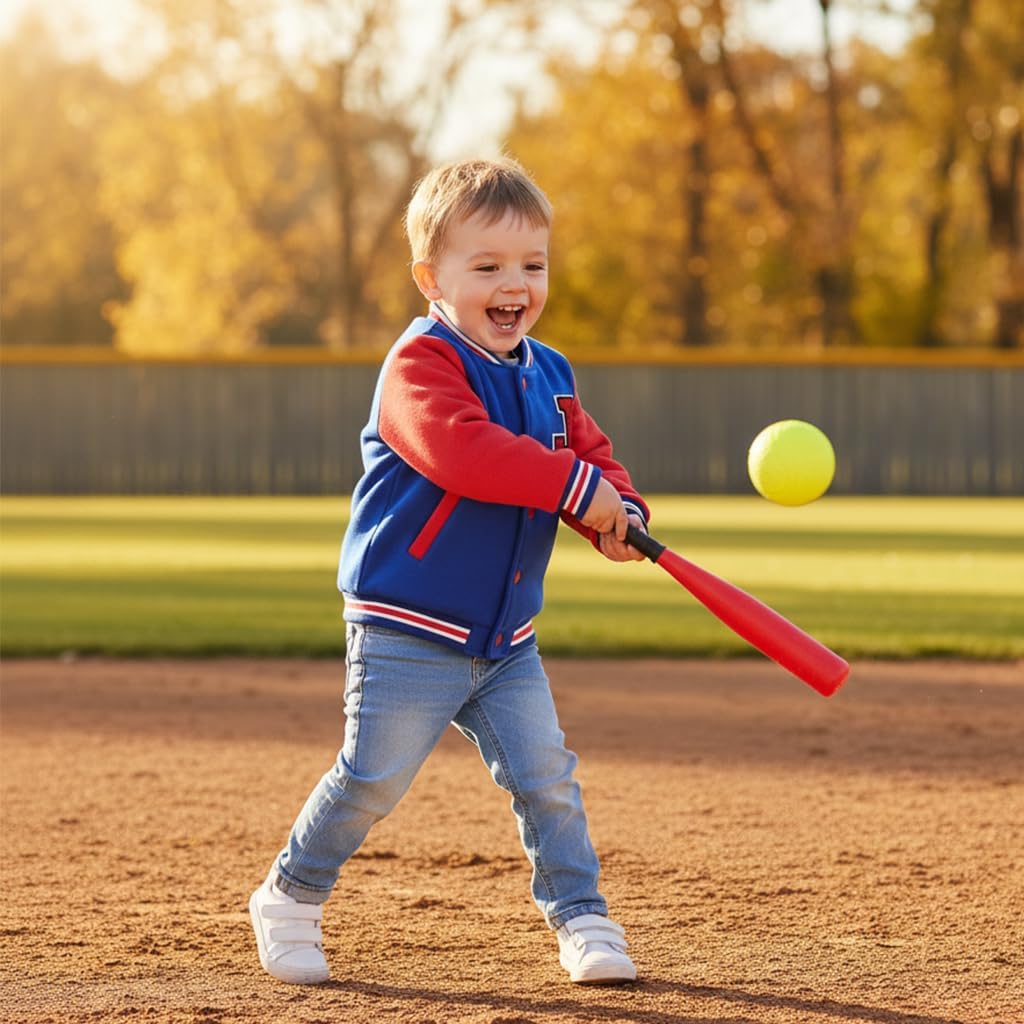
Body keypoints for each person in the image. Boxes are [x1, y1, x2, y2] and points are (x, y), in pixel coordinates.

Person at [249, 156, 650, 987]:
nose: (517, 285)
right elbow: (465, 454)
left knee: (548, 781)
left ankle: (583, 919)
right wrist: (576, 488)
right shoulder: (419, 365)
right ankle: (290, 896)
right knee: (370, 780)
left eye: (533, 265)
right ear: (432, 278)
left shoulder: (551, 371)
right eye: (489, 266)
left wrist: (616, 509)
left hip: (506, 637)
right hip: (408, 625)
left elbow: (585, 455)